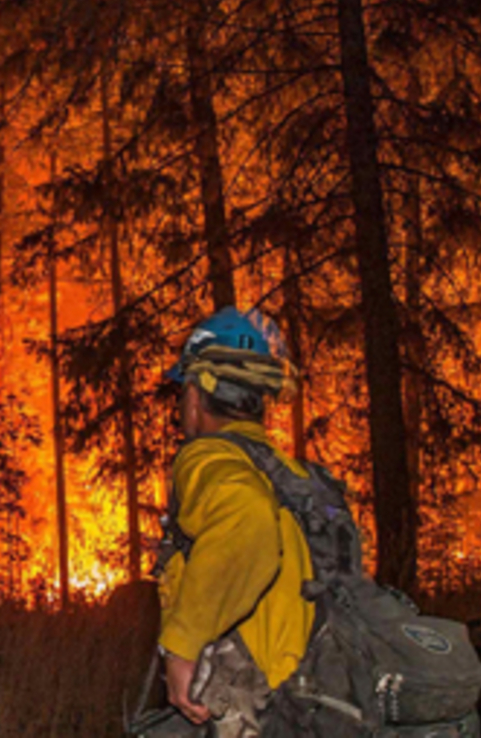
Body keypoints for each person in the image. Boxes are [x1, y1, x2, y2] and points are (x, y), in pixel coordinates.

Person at [156, 307, 307, 735]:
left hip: (261, 710)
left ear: (195, 394)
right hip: (315, 704)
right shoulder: (294, 477)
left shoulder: (210, 457)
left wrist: (183, 646)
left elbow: (247, 516)